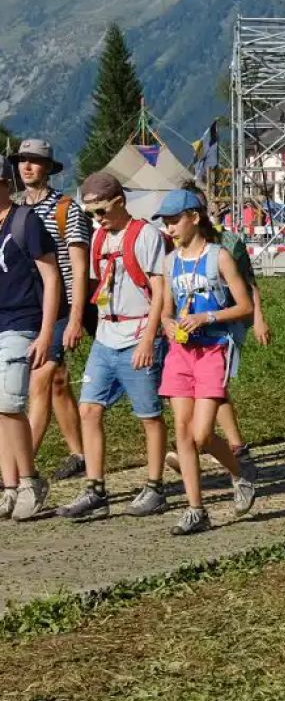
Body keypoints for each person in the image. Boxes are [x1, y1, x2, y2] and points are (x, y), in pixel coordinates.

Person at [59, 172, 169, 520]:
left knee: (148, 415)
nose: (98, 219)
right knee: (89, 409)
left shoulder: (146, 235)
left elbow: (160, 292)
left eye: (102, 211)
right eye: (92, 213)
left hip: (138, 334)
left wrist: (150, 339)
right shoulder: (97, 238)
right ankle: (95, 488)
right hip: (107, 334)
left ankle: (155, 486)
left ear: (120, 202)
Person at [155, 189, 259, 536]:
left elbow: (245, 307)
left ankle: (239, 474)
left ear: (194, 218)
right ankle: (196, 510)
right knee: (183, 433)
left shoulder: (220, 257)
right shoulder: (171, 262)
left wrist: (207, 318)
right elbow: (167, 310)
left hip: (214, 349)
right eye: (166, 223)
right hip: (181, 353)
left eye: (174, 221)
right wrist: (169, 325)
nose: (169, 229)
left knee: (201, 435)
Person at [16, 139, 88, 479]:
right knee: (58, 380)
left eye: (35, 161)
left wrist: (75, 317)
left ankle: (18, 468)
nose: (28, 166)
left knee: (41, 378)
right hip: (29, 306)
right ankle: (80, 452)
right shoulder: (15, 209)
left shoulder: (66, 208)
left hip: (61, 306)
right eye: (23, 161)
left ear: (48, 168)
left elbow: (77, 264)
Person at [0, 157, 61, 521]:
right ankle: (8, 486)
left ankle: (29, 480)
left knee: (9, 405)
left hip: (21, 322)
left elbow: (51, 277)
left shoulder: (25, 221)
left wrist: (46, 331)